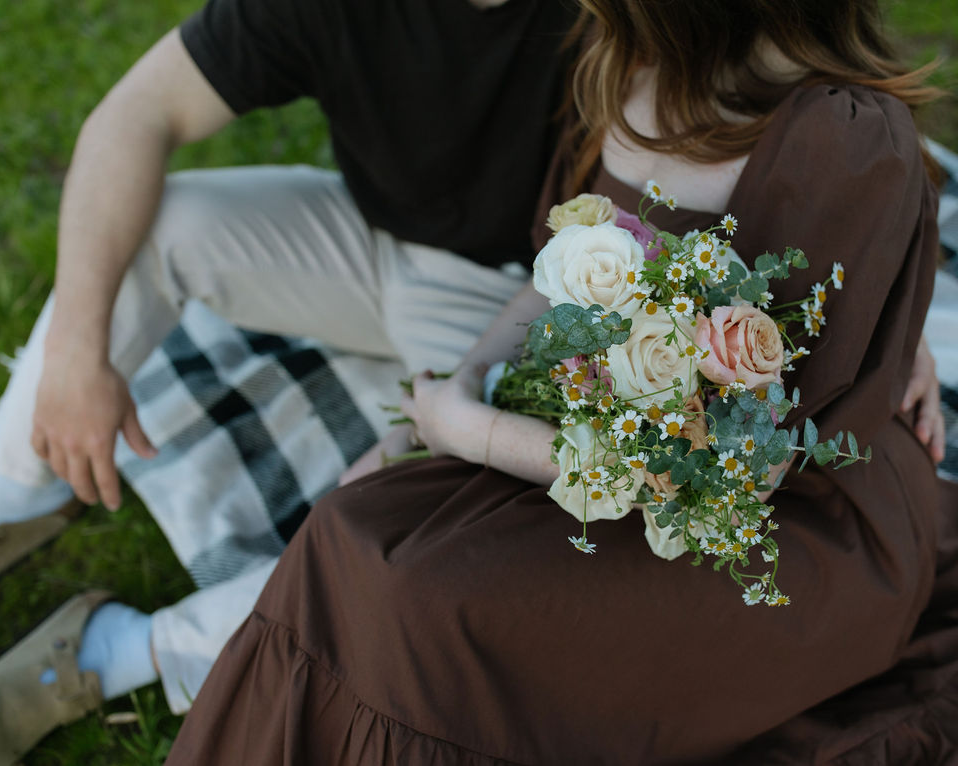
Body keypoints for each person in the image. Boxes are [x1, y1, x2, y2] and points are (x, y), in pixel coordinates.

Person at [162, 0, 958, 763]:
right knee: (350, 522)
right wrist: (455, 390)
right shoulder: (627, 64)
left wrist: (469, 433)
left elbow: (734, 480)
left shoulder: (844, 140)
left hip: (781, 533)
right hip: (611, 447)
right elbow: (561, 278)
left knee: (422, 598)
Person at [0, 1, 586, 763]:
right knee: (157, 225)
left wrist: (436, 428)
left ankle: (122, 649)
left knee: (448, 517)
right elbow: (137, 112)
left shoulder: (608, 19)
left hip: (524, 297)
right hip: (366, 232)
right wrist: (77, 354)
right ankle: (6, 498)